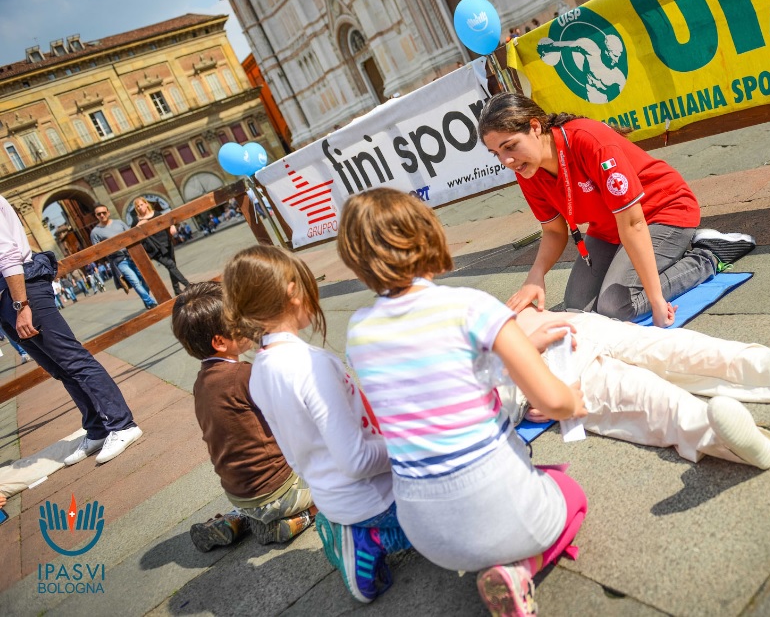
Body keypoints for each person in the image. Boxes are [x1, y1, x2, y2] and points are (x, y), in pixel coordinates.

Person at [338, 188, 589, 617]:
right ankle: (520, 570)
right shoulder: (469, 305)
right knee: (572, 493)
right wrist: (573, 402)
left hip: (425, 531)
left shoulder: (358, 330)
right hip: (494, 497)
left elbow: (444, 375)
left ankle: (506, 554)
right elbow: (550, 398)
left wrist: (521, 346)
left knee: (535, 478)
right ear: (427, 234)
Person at [222, 245, 412, 604]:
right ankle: (367, 538)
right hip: (376, 500)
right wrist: (411, 444)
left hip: (333, 499)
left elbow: (295, 458)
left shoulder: (260, 370)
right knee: (456, 512)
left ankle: (345, 526)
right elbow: (356, 460)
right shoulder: (311, 364)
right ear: (292, 290)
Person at [478, 93, 754, 328]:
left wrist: (656, 301)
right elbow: (553, 230)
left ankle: (707, 254)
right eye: (496, 154)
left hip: (662, 212)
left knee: (617, 307)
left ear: (535, 127)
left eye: (510, 146)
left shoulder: (587, 139)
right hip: (610, 228)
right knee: (577, 310)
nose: (507, 161)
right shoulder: (528, 168)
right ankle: (669, 259)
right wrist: (534, 278)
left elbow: (633, 223)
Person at [504, 290, 770, 469]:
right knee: (644, 399)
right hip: (541, 371)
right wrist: (542, 391)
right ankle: (727, 440)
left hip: (567, 327)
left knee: (686, 349)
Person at [171, 281, 315, 552]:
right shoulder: (245, 376)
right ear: (219, 341)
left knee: (258, 501)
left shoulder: (201, 383)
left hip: (240, 494)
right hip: (279, 491)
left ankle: (236, 521)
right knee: (338, 480)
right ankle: (296, 519)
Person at [0, 195, 142, 466]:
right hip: (7, 298)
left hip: (20, 290)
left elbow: (6, 253)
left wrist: (21, 304)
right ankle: (98, 429)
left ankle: (122, 425)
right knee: (60, 368)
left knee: (73, 360)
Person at [89, 204, 159, 309]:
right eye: (99, 214)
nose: (102, 215)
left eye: (104, 212)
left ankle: (146, 298)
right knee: (135, 282)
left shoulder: (119, 223)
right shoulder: (95, 232)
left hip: (132, 255)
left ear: (108, 212)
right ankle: (150, 302)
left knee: (145, 278)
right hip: (119, 260)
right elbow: (97, 250)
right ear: (96, 216)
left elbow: (131, 235)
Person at [536, 35, 626, 103]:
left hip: (605, 104)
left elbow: (625, 99)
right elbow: (568, 45)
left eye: (618, 56)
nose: (616, 60)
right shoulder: (591, 50)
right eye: (614, 55)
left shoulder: (618, 77)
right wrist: (548, 47)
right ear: (605, 50)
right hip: (586, 100)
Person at [132, 197, 191, 296]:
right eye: (137, 206)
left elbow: (168, 221)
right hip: (154, 248)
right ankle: (189, 286)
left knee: (172, 266)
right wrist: (140, 224)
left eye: (141, 204)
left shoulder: (157, 214)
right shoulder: (136, 221)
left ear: (146, 204)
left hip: (166, 242)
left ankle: (177, 290)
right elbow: (133, 234)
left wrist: (172, 226)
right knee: (170, 265)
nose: (140, 207)